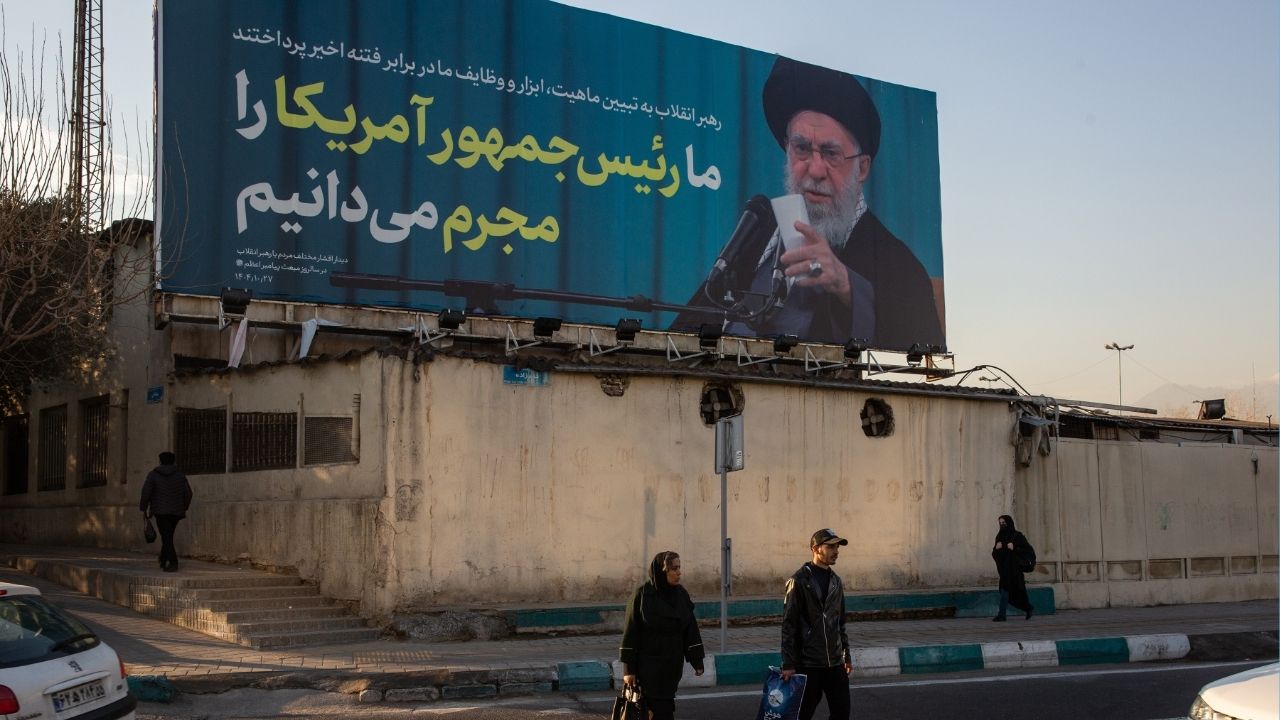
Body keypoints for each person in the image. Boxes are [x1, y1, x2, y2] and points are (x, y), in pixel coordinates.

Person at [674, 56, 943, 352]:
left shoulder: (899, 266)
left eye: (831, 154)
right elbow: (679, 336)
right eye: (802, 149)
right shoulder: (757, 236)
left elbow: (913, 363)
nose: (815, 170)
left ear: (862, 168)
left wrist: (847, 287)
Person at [619, 551, 705, 720]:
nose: (679, 572)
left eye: (679, 567)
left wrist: (697, 661)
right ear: (662, 570)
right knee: (658, 710)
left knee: (663, 705)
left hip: (671, 665)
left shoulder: (680, 595)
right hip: (649, 666)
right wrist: (629, 670)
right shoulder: (642, 595)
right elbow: (631, 632)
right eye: (674, 568)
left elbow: (690, 629)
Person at [780, 528, 852, 720]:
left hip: (835, 663)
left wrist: (846, 656)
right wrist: (788, 663)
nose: (835, 551)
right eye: (830, 546)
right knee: (803, 714)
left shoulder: (836, 581)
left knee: (842, 712)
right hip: (809, 663)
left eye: (837, 546)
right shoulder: (799, 581)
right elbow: (789, 625)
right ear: (815, 548)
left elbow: (840, 622)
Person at [139, 451, 193, 572]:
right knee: (168, 535)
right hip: (176, 512)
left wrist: (143, 507)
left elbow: (146, 492)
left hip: (160, 511)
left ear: (160, 461)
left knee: (167, 537)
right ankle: (163, 559)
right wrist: (183, 507)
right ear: (173, 461)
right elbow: (188, 494)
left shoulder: (153, 475)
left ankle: (173, 562)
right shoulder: (180, 475)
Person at [991, 514, 1034, 621]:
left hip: (1015, 570)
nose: (1002, 525)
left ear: (1009, 523)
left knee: (1018, 592)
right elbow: (995, 554)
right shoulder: (999, 536)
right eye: (1000, 523)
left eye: (1004, 523)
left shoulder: (1017, 536)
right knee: (1004, 591)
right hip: (1005, 570)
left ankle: (1027, 608)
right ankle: (1002, 615)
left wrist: (1015, 548)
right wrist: (996, 549)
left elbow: (1028, 550)